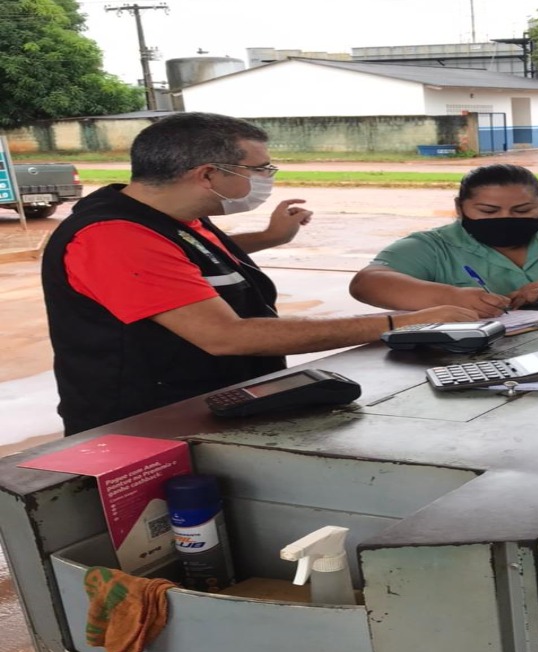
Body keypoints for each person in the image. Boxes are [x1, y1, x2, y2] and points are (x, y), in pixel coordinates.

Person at [42, 112, 476, 436]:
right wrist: (403, 322)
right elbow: (227, 336)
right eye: (260, 169)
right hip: (148, 429)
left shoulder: (171, 217)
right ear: (208, 174)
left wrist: (269, 237)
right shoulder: (114, 236)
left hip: (212, 407)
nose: (268, 177)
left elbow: (183, 261)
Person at [349, 164, 538, 317]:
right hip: (467, 363)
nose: (506, 218)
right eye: (488, 210)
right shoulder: (433, 246)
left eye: (523, 210)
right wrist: (452, 298)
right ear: (460, 208)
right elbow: (368, 282)